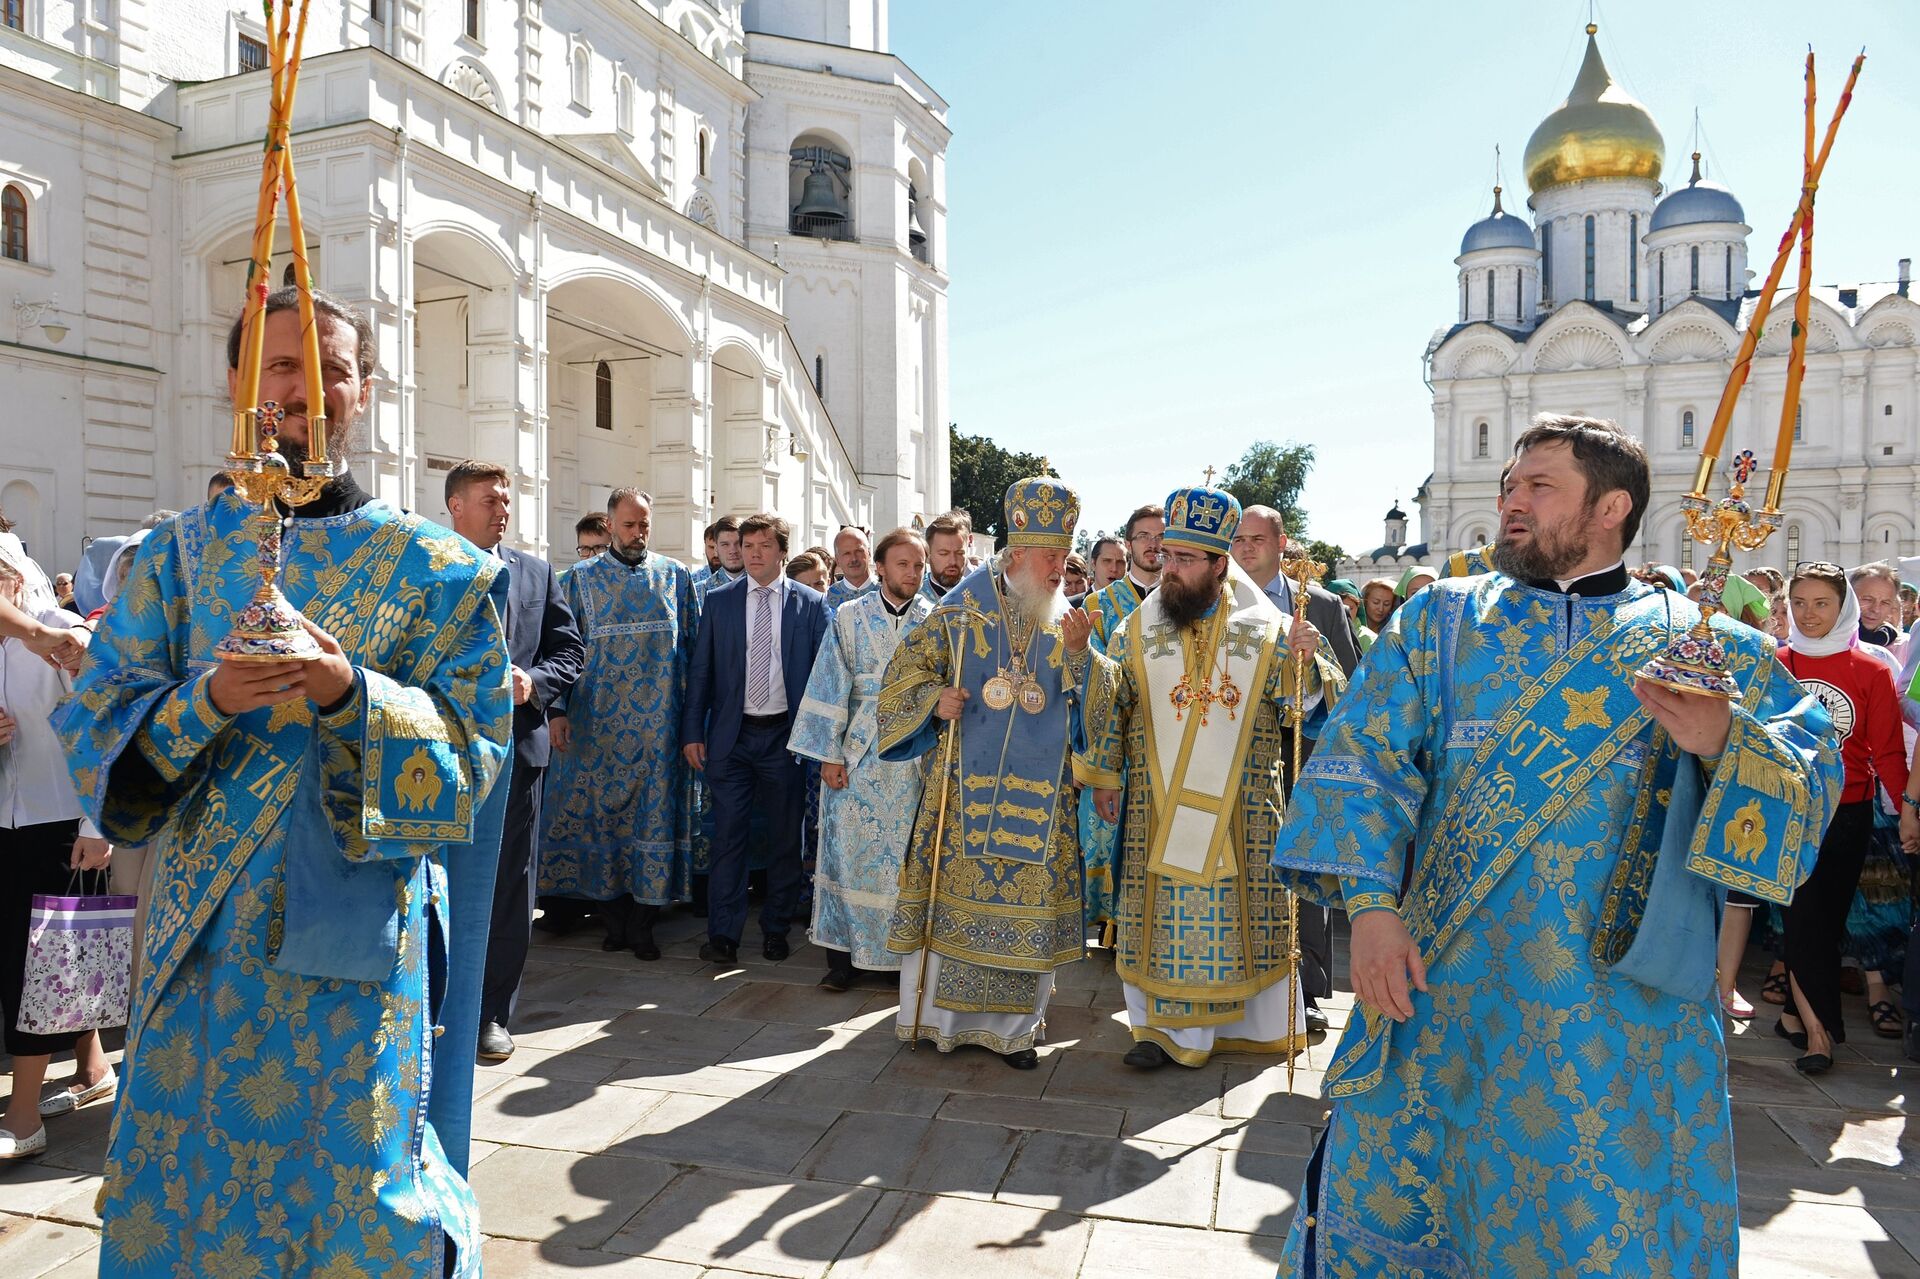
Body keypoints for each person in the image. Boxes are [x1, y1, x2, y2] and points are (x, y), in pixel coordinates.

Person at [1270, 415, 1841, 1276]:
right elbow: (1363, 761)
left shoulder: (1706, 647)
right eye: (1510, 486)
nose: (1512, 502)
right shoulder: (1440, 623)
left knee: (1602, 1226)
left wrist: (1727, 740)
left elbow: (1809, 788)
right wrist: (1372, 913)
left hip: (1624, 1017)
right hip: (1448, 992)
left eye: (1539, 487)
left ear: (1610, 507)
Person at [56, 286, 513, 1272]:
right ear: (235, 384)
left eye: (331, 367)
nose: (305, 389)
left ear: (365, 388)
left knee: (355, 1208)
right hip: (198, 959)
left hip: (355, 963)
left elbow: (478, 757)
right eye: (279, 365)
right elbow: (95, 724)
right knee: (187, 1206)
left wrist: (353, 694)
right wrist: (208, 698)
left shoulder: (431, 567)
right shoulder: (177, 557)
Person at [1081, 486, 1341, 1068]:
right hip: (1157, 805)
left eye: (1183, 559)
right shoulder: (1138, 626)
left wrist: (1311, 659)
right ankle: (1160, 1033)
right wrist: (1103, 771)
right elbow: (1115, 697)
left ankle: (1251, 1025)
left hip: (1243, 811)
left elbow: (1306, 708)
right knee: (1166, 919)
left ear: (1219, 564)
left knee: (1238, 920)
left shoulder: (1265, 627)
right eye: (1166, 555)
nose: (1167, 568)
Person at [877, 478, 1098, 1068]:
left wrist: (1082, 658)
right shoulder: (957, 610)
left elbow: (1103, 705)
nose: (1061, 569)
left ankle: (1016, 1031)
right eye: (1051, 558)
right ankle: (940, 1024)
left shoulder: (1068, 620)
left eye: (1065, 557)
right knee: (954, 901)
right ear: (1018, 555)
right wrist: (932, 700)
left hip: (1041, 797)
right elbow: (902, 675)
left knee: (1027, 908)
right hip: (962, 791)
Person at [443, 461, 585, 1061]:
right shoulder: (427, 566)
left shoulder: (535, 573)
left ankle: (492, 1014)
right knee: (441, 885)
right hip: (439, 755)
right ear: (455, 506)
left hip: (516, 756)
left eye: (506, 498)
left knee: (508, 888)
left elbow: (570, 649)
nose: (503, 508)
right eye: (489, 499)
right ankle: (435, 1008)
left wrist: (538, 683)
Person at [541, 489, 697, 960]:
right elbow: (559, 650)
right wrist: (558, 709)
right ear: (610, 526)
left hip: (660, 733)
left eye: (644, 524)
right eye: (629, 525)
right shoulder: (579, 580)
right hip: (596, 729)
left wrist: (693, 723)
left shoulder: (675, 577)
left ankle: (644, 924)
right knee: (601, 826)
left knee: (653, 821)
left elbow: (693, 651)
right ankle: (613, 920)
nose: (637, 533)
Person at [0, 544, 115, 1162]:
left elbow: (107, 722)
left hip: (59, 817)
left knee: (38, 962)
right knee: (57, 955)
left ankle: (23, 1116)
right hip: (5, 816)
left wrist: (100, 823)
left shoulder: (63, 635)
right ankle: (92, 1065)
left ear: (15, 580)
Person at [1228, 503, 1359, 1035]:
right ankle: (1247, 985)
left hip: (1304, 757)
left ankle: (1305, 990)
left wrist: (1316, 660)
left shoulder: (1322, 606)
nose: (1245, 550)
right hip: (1242, 759)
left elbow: (1351, 681)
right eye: (1237, 541)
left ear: (1282, 545)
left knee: (1305, 874)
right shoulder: (1223, 604)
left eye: (1256, 540)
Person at [1775, 562, 1907, 1072]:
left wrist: (1907, 813)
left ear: (1842, 608)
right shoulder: (1775, 663)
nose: (1809, 615)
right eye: (1799, 603)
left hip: (1849, 813)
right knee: (1802, 918)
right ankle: (1819, 1033)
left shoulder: (1871, 671)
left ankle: (1793, 1012)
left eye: (1821, 604)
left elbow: (1888, 752)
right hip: (1787, 813)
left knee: (1825, 924)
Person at [789, 528, 934, 990]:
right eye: (902, 565)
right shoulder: (849, 616)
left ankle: (896, 962)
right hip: (856, 755)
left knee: (901, 863)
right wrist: (829, 756)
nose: (911, 574)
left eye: (918, 566)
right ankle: (842, 962)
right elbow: (831, 682)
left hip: (912, 757)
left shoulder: (938, 620)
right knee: (847, 855)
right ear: (881, 568)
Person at [682, 514, 830, 962]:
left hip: (784, 737)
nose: (754, 554)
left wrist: (820, 739)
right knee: (729, 837)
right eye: (747, 547)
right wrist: (692, 731)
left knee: (786, 837)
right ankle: (723, 935)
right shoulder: (720, 601)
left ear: (782, 551)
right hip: (731, 738)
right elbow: (702, 670)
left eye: (764, 546)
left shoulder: (809, 604)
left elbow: (824, 678)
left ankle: (776, 928)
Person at [1077, 502, 1165, 942]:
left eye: (1161, 536)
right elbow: (1082, 682)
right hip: (1112, 744)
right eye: (1145, 536)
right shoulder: (1099, 604)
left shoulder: (1184, 600)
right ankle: (1112, 927)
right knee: (1105, 835)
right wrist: (1086, 762)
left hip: (1167, 743)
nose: (1154, 544)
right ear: (1129, 545)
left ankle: (1147, 927)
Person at [922, 511, 971, 603]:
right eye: (944, 553)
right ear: (928, 554)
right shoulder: (911, 599)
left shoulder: (980, 595)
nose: (952, 561)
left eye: (959, 553)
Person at [692, 514, 743, 602]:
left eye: (738, 543)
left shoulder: (764, 585)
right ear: (716, 548)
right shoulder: (698, 592)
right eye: (725, 544)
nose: (733, 551)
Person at [824, 525, 876, 608]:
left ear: (869, 554)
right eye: (846, 553)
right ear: (837, 560)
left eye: (859, 551)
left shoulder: (888, 592)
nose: (854, 559)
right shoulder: (827, 598)